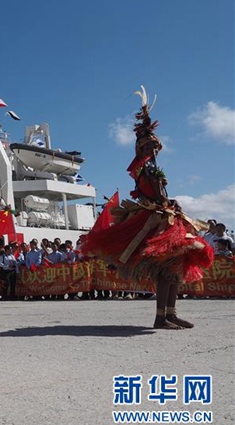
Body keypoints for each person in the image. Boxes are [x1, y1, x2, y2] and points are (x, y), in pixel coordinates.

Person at [80, 87, 213, 329]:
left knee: (174, 269)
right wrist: (167, 202)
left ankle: (170, 313)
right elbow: (155, 194)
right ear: (142, 149)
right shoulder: (146, 168)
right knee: (166, 269)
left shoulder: (151, 168)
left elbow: (161, 195)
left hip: (165, 215)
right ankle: (161, 317)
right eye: (150, 147)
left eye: (155, 147)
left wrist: (170, 203)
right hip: (155, 219)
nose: (154, 150)